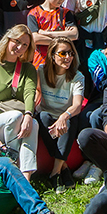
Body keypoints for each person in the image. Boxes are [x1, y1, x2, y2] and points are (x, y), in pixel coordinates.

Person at [0, 26, 43, 179]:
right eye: (17, 42)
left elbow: (29, 93)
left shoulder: (28, 68)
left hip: (17, 121)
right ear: (8, 39)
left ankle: (25, 178)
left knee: (34, 123)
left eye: (25, 45)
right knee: (14, 116)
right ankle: (11, 164)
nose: (19, 47)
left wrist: (28, 115)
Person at [37, 38, 87, 181]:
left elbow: (77, 105)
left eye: (70, 53)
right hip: (46, 115)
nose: (68, 57)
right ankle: (63, 167)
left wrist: (64, 116)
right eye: (62, 53)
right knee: (43, 116)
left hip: (66, 116)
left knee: (70, 122)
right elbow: (35, 93)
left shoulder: (77, 77)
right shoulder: (41, 71)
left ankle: (55, 172)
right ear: (52, 56)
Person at [28, 0, 77, 67]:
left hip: (62, 64)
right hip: (41, 62)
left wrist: (47, 33)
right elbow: (35, 38)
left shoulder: (66, 13)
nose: (61, 0)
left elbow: (74, 34)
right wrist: (64, 37)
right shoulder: (34, 13)